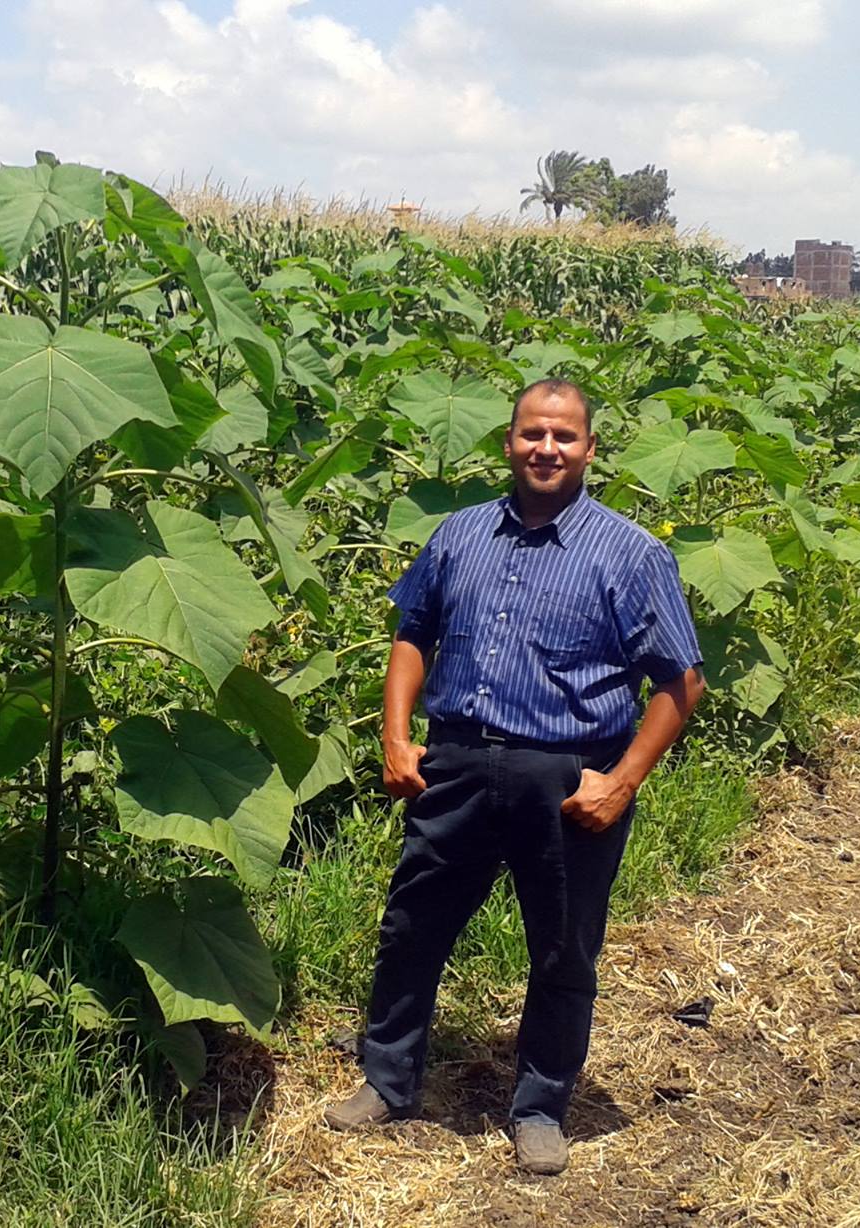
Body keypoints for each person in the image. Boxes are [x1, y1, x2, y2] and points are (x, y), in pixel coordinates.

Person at [322, 378, 706, 1176]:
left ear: (590, 449)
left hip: (567, 778)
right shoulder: (460, 534)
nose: (547, 449)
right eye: (533, 434)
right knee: (412, 928)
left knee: (563, 950)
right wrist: (397, 736)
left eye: (565, 437)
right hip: (456, 761)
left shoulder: (632, 554)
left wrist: (623, 781)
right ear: (508, 442)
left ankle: (539, 1107)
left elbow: (681, 683)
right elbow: (413, 632)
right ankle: (388, 1082)